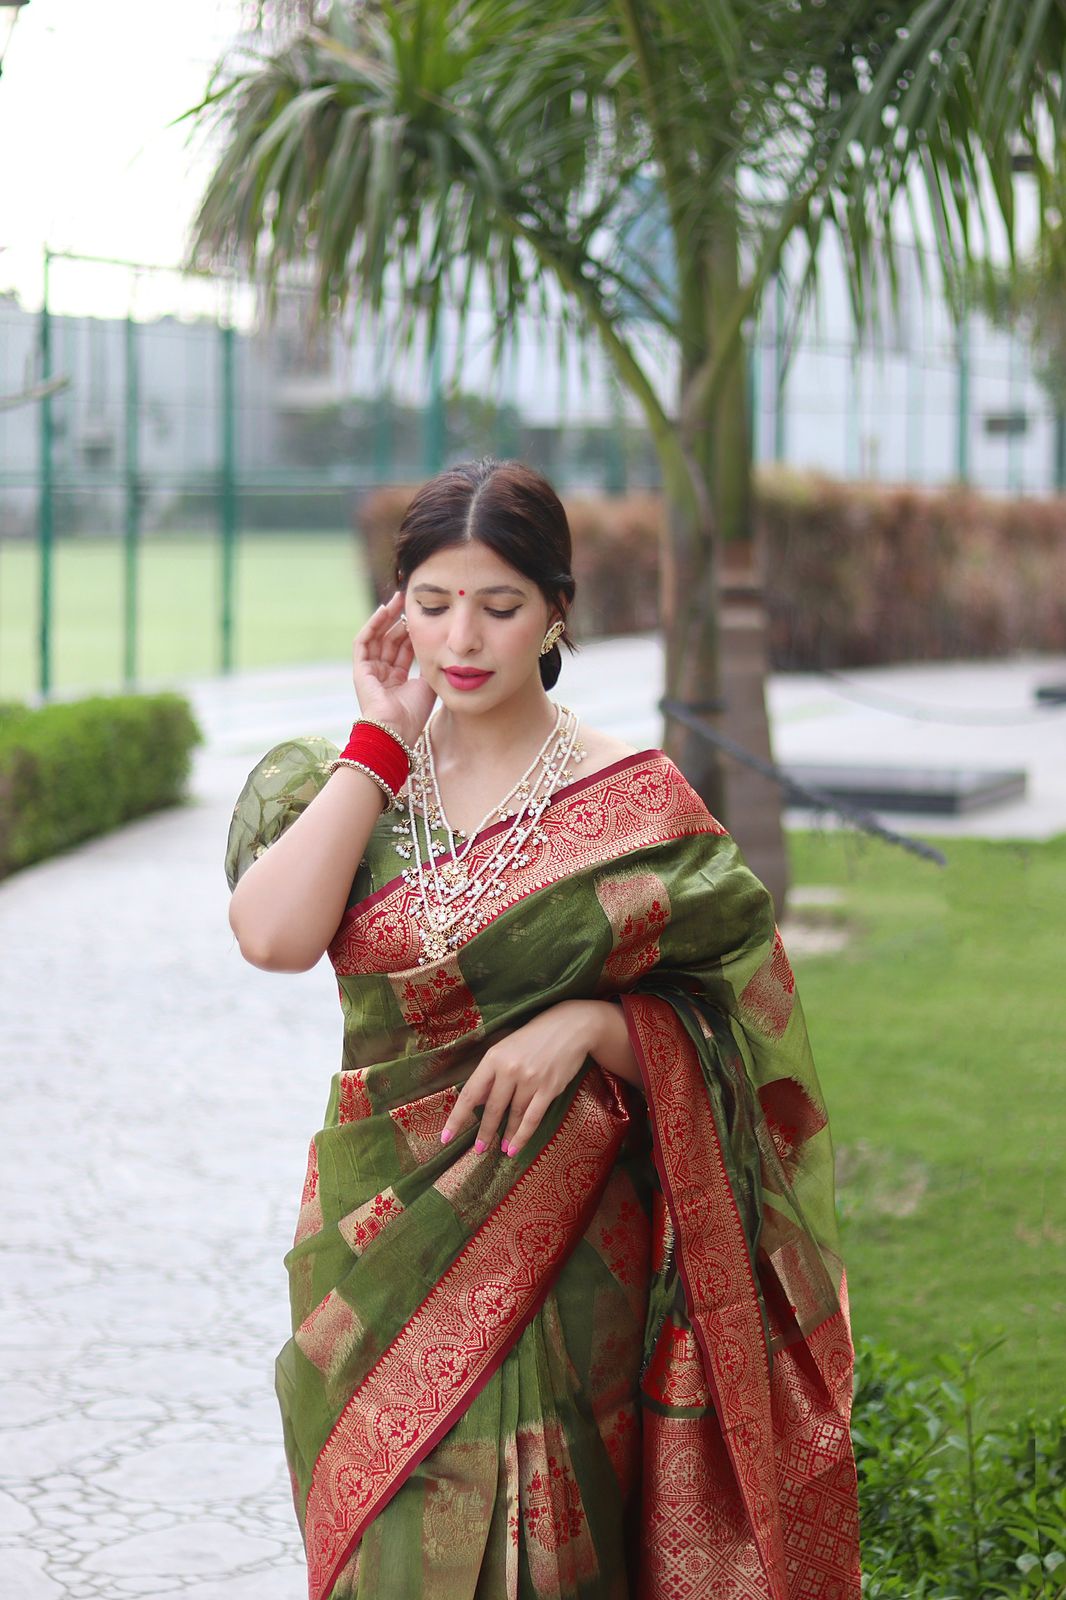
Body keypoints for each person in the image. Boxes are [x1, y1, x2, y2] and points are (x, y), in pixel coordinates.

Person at [225, 458, 861, 1600]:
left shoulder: (633, 800)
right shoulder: (343, 785)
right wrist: (380, 740)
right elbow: (270, 936)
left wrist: (590, 1026)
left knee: (553, 1544)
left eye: (499, 605)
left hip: (576, 1256)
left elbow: (731, 1015)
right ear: (393, 611)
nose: (460, 638)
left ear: (557, 611)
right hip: (382, 1251)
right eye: (432, 603)